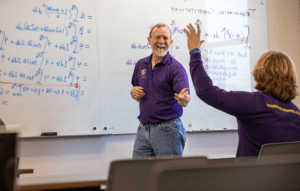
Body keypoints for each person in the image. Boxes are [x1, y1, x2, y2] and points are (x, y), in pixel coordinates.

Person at [184, 23, 300, 157]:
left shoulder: (254, 104)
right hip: (285, 178)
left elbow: (206, 91)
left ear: (260, 72)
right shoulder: (296, 114)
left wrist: (194, 52)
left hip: (251, 177)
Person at [130, 23, 191, 158]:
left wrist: (184, 99)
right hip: (143, 129)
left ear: (171, 42)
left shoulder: (176, 68)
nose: (161, 42)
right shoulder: (141, 64)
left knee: (169, 176)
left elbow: (185, 99)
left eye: (165, 38)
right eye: (158, 37)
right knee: (138, 174)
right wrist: (133, 92)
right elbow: (135, 92)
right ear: (149, 40)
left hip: (168, 130)